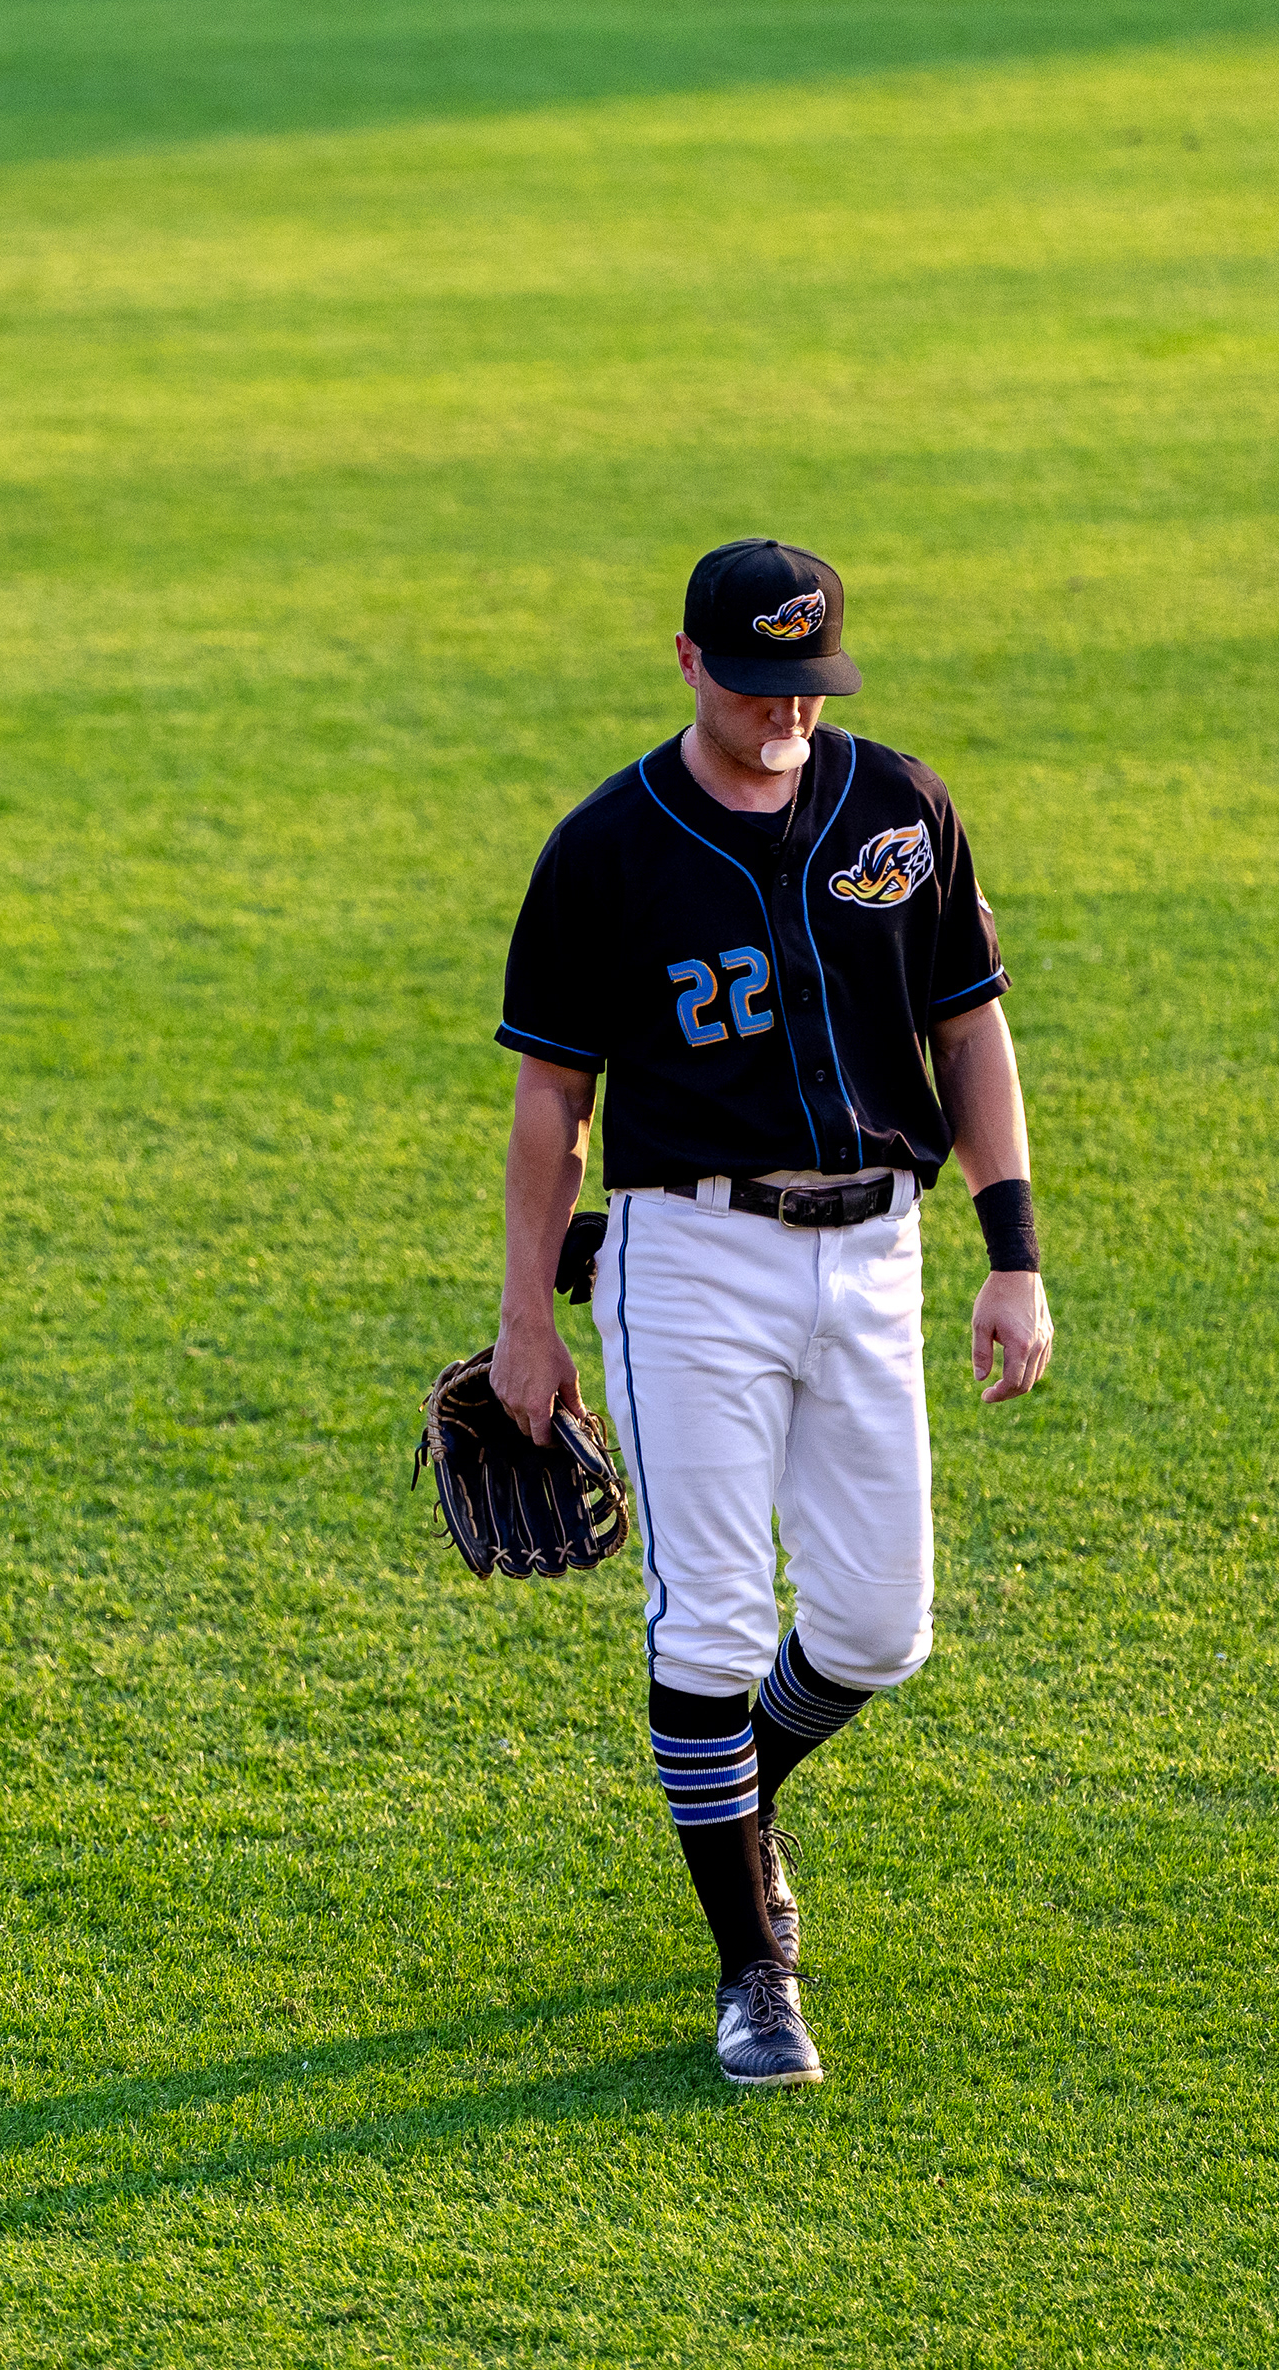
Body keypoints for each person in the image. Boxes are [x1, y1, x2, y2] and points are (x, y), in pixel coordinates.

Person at [489, 539, 1055, 2089]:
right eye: (755, 686)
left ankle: (736, 1796)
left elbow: (971, 1033)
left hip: (878, 1253)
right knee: (719, 1621)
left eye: (809, 684)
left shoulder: (900, 806)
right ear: (686, 663)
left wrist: (1015, 1256)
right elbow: (554, 1100)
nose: (786, 715)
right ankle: (753, 1973)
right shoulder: (605, 848)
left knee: (879, 1627)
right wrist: (528, 1315)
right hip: (689, 1263)